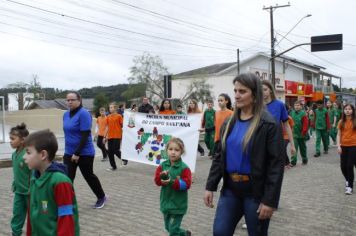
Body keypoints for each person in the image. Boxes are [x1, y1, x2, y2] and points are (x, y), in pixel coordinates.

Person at [204, 73, 284, 236]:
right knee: (220, 232)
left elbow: (276, 165)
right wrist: (210, 186)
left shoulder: (268, 124)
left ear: (255, 95)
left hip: (255, 193)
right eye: (235, 91)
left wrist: (269, 201)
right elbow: (219, 157)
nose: (236, 95)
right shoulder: (229, 122)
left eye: (242, 91)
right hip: (231, 190)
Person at [24, 129, 80, 235]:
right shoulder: (34, 179)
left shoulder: (60, 182)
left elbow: (66, 219)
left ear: (43, 155)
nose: (24, 157)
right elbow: (31, 214)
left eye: (28, 152)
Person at [63, 91, 107, 208]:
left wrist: (77, 153)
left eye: (72, 100)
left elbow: (85, 134)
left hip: (84, 152)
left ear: (79, 100)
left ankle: (101, 197)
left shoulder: (84, 114)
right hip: (68, 152)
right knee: (67, 178)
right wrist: (70, 151)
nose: (70, 102)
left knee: (88, 176)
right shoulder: (65, 115)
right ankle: (69, 202)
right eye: (68, 100)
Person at [154, 137, 192, 236]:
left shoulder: (184, 168)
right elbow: (157, 182)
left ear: (181, 152)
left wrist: (171, 181)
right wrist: (162, 176)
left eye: (177, 150)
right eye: (170, 149)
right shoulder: (162, 165)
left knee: (173, 230)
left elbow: (187, 185)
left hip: (178, 205)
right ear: (166, 150)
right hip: (166, 204)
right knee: (168, 227)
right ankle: (185, 234)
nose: (173, 152)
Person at [262, 80, 296, 158]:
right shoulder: (257, 106)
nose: (262, 92)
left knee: (276, 168)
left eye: (265, 89)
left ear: (270, 90)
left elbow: (287, 126)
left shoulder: (279, 105)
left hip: (276, 143)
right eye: (260, 90)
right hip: (261, 145)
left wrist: (292, 145)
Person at [9, 123, 30, 236]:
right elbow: (16, 172)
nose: (10, 141)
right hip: (19, 192)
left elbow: (33, 173)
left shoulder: (27, 154)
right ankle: (15, 233)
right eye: (10, 138)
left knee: (34, 215)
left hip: (30, 193)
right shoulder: (14, 155)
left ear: (22, 140)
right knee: (17, 214)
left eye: (13, 139)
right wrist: (14, 183)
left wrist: (33, 187)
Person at [337, 104, 356, 195]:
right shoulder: (341, 121)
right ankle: (348, 180)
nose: (347, 111)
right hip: (343, 146)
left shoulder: (355, 121)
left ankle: (350, 187)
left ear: (353, 110)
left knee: (349, 166)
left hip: (354, 146)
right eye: (346, 109)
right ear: (344, 111)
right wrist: (338, 146)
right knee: (343, 167)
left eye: (349, 109)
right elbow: (339, 134)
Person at [106, 102, 127, 170]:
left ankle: (124, 159)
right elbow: (107, 127)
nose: (110, 109)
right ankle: (113, 166)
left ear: (115, 109)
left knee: (115, 150)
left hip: (117, 135)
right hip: (110, 136)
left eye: (111, 107)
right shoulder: (108, 117)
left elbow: (123, 125)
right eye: (109, 107)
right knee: (110, 152)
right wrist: (104, 136)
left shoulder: (119, 116)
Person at [290, 101, 309, 166]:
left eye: (298, 105)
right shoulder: (292, 113)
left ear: (301, 106)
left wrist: (303, 133)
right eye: (295, 105)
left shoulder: (303, 114)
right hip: (294, 134)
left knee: (302, 148)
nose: (296, 107)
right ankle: (293, 161)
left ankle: (304, 159)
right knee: (294, 148)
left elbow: (305, 125)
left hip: (302, 135)